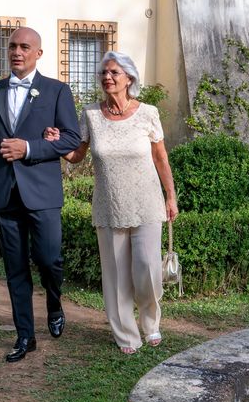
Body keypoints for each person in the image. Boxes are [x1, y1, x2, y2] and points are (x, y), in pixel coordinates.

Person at [44, 51, 178, 354]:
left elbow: (160, 157)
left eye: (114, 72)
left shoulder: (148, 113)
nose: (107, 77)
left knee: (147, 270)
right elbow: (77, 155)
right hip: (109, 205)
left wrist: (171, 196)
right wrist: (57, 143)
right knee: (116, 276)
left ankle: (151, 323)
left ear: (129, 78)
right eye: (104, 73)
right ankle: (126, 335)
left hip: (146, 203)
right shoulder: (91, 114)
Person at [0, 27, 81, 363]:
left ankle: (55, 303)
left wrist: (29, 147)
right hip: (5, 195)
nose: (17, 52)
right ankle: (25, 336)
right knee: (15, 270)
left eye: (24, 47)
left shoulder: (57, 91)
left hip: (43, 194)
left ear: (38, 53)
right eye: (13, 46)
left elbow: (71, 139)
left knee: (49, 260)